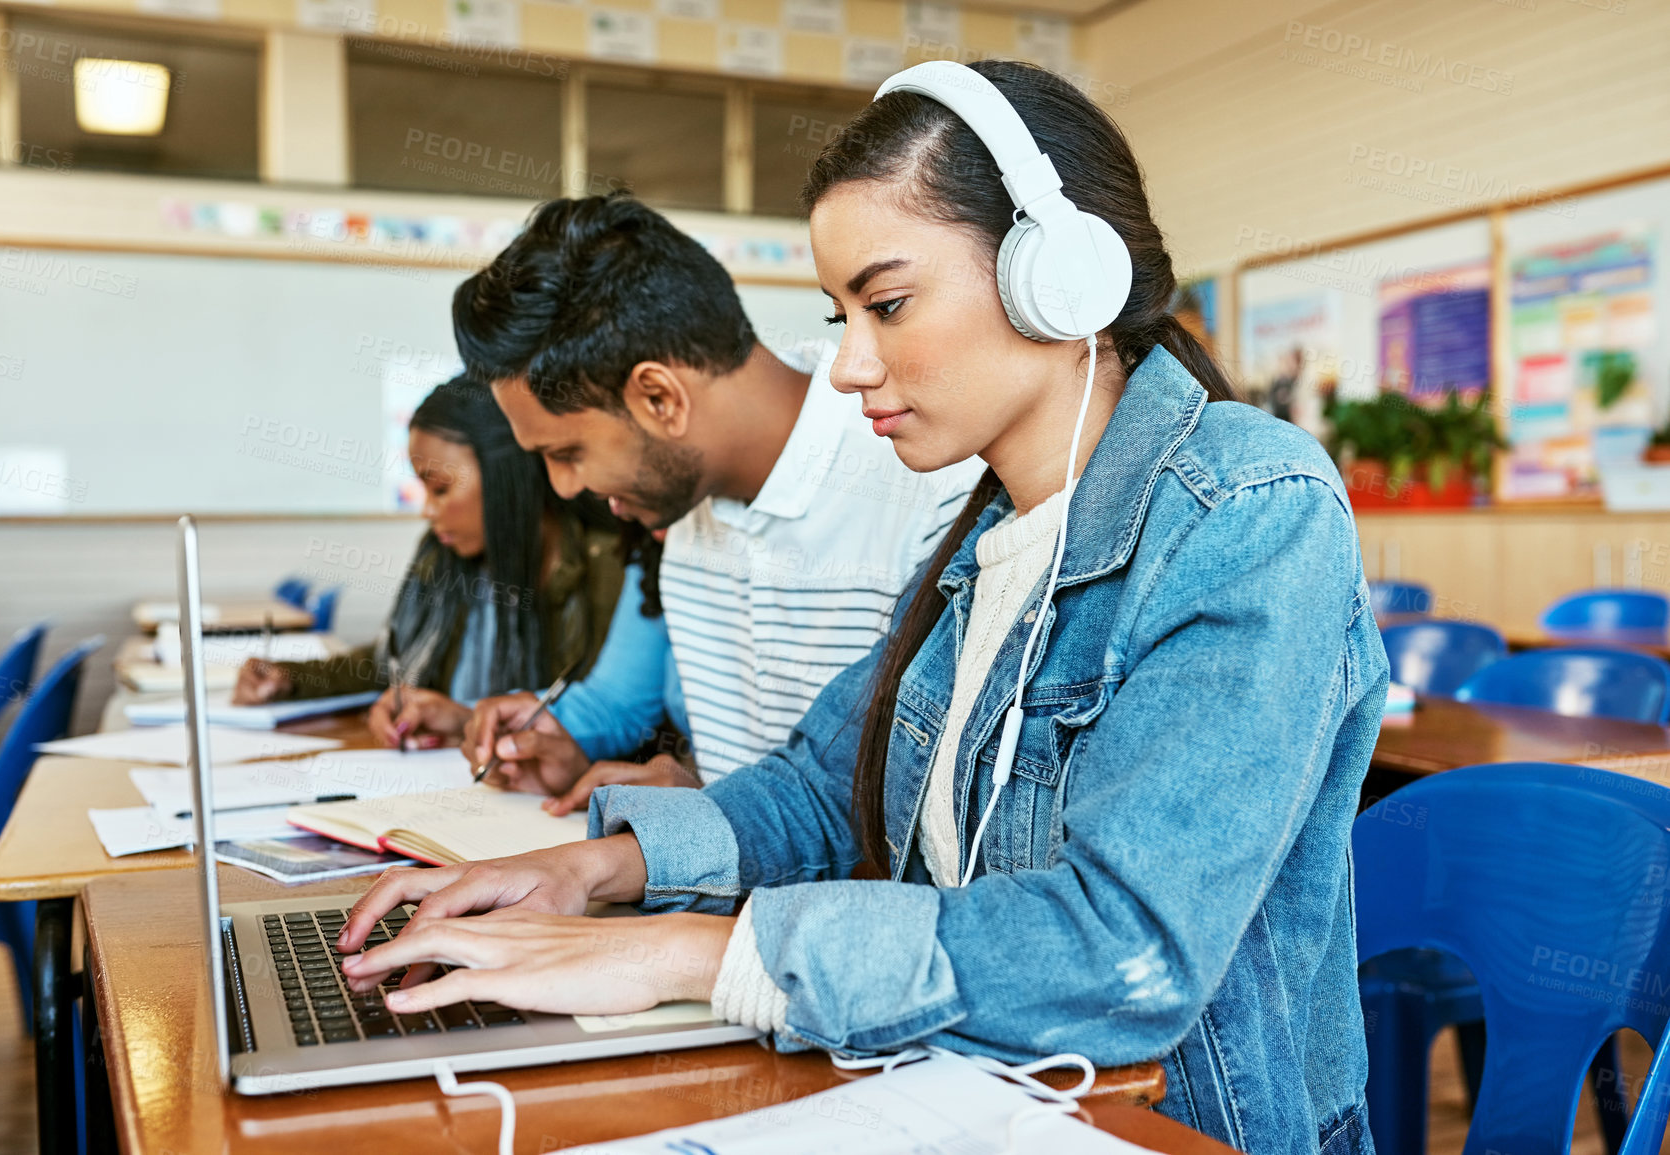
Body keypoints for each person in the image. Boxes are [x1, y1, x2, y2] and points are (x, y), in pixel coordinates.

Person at [338, 60, 1384, 1155]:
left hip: (1172, 1128)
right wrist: (592, 868)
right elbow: (825, 791)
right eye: (840, 314)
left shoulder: (1251, 515)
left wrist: (696, 954)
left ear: (1058, 277)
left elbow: (1123, 952)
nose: (848, 365)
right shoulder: (985, 537)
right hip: (966, 1094)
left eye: (885, 304)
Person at [439, 191, 983, 802]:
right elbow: (769, 795)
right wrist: (694, 798)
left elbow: (923, 826)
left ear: (661, 399)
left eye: (566, 454)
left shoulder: (935, 490)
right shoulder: (686, 511)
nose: (566, 488)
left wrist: (704, 817)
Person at [233, 378, 627, 747]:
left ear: (508, 475)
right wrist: (292, 678)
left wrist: (464, 719)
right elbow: (390, 660)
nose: (428, 509)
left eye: (440, 488)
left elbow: (615, 718)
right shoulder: (444, 554)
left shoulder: (610, 568)